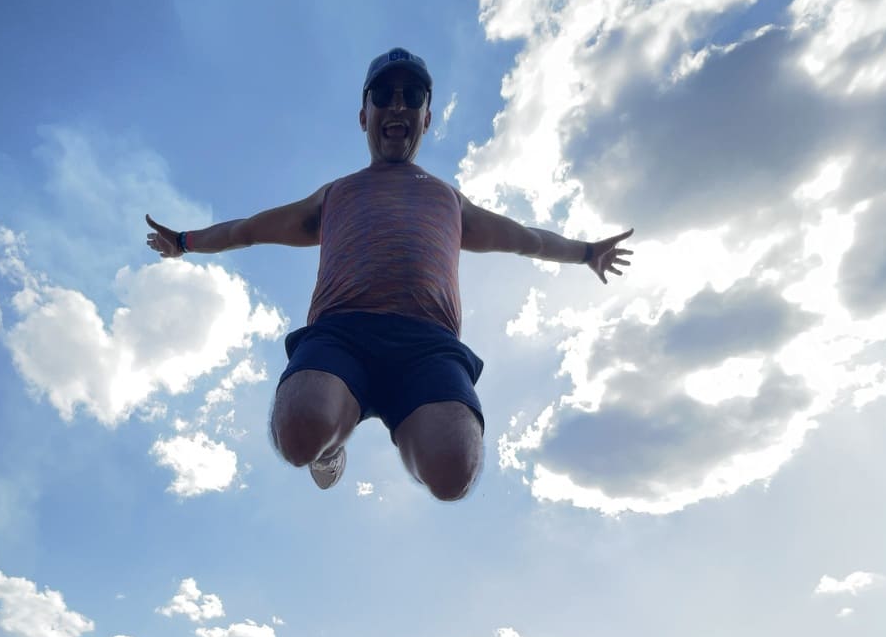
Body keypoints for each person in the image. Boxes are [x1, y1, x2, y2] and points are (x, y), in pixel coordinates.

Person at [145, 48, 633, 501]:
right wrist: (185, 241)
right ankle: (329, 448)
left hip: (427, 345)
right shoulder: (335, 195)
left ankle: (392, 426)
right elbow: (248, 229)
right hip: (342, 333)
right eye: (383, 94)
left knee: (453, 472)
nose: (397, 105)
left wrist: (587, 252)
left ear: (427, 117)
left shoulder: (449, 200)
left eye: (412, 96)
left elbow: (528, 239)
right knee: (299, 432)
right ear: (364, 115)